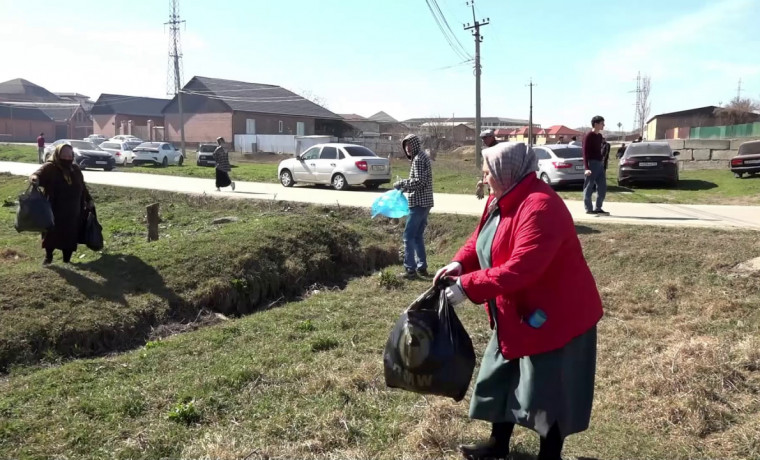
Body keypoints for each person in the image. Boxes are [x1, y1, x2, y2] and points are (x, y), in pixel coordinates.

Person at [433, 142, 603, 460]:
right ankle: (498, 444)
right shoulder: (503, 197)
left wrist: (466, 287)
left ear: (505, 171)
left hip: (556, 317)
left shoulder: (541, 206)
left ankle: (549, 456)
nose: (484, 180)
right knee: (502, 376)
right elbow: (481, 237)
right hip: (516, 311)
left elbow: (522, 268)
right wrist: (460, 264)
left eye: (487, 173)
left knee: (547, 392)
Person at [29, 143, 93, 265]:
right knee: (51, 234)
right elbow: (36, 174)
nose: (67, 157)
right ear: (58, 154)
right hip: (54, 208)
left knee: (70, 234)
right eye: (64, 155)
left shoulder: (75, 169)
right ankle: (48, 257)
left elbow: (82, 187)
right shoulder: (50, 167)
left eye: (70, 155)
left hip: (73, 209)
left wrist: (89, 199)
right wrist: (34, 179)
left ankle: (67, 260)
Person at [393, 134, 434, 279]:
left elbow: (419, 182)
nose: (407, 148)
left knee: (408, 236)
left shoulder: (418, 159)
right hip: (425, 203)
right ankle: (422, 267)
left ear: (415, 145)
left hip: (418, 203)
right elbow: (418, 181)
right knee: (417, 236)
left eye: (410, 145)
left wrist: (402, 184)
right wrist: (406, 185)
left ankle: (410, 270)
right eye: (405, 145)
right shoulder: (422, 156)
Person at [582, 116, 608, 215]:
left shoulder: (599, 136)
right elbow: (584, 152)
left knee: (602, 187)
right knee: (589, 186)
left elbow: (599, 150)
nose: (603, 125)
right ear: (596, 124)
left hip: (599, 164)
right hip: (591, 163)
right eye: (602, 123)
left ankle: (598, 207)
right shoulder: (588, 135)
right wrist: (586, 168)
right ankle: (589, 208)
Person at [476, 129, 498, 199]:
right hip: (491, 183)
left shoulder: (497, 149)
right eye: (482, 138)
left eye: (485, 138)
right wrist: (482, 181)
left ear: (492, 137)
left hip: (498, 184)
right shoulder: (487, 151)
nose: (483, 140)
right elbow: (487, 168)